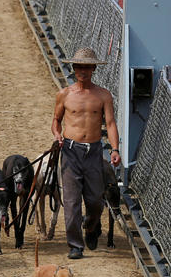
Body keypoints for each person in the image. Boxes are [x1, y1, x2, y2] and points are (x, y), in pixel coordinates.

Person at [51, 46, 121, 259]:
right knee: (71, 201)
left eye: (88, 67)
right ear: (74, 69)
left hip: (94, 151)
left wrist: (115, 149)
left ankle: (91, 227)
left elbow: (110, 123)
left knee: (95, 200)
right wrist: (57, 134)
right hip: (71, 152)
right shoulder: (64, 94)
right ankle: (75, 245)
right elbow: (56, 121)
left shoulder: (103, 95)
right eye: (80, 67)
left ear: (93, 70)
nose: (83, 71)